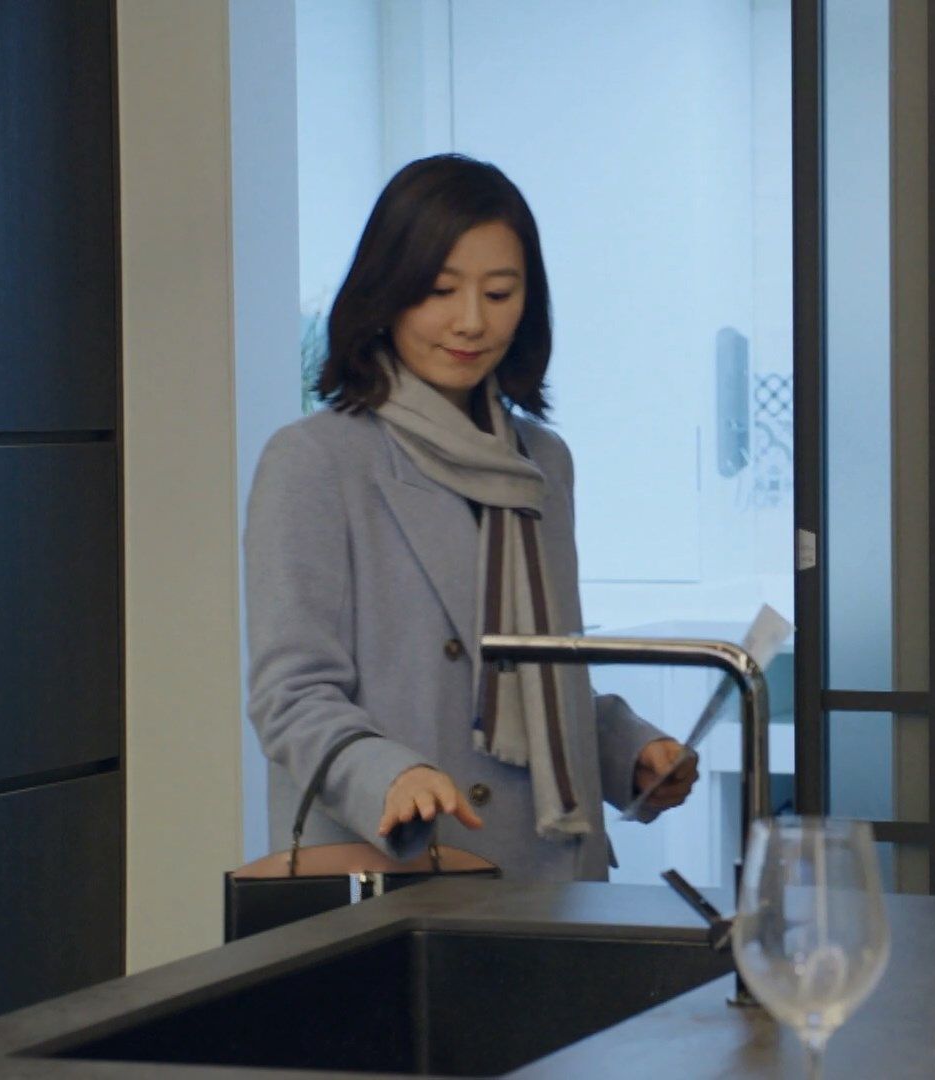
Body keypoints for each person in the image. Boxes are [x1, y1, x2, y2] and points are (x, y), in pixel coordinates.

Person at [245, 154, 697, 881]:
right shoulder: (317, 460)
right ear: (386, 291)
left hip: (554, 870)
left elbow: (536, 671)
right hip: (407, 869)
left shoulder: (541, 461)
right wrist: (386, 774)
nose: (471, 321)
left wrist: (628, 750)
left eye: (499, 292)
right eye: (439, 290)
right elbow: (290, 695)